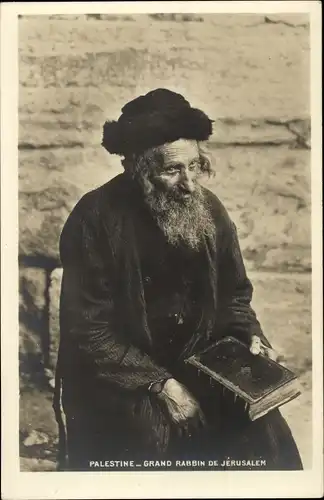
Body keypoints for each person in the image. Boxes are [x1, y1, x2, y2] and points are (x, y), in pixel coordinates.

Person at [54, 88, 303, 471]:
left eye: (195, 166)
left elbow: (236, 296)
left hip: (201, 362)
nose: (190, 183)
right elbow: (90, 331)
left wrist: (251, 337)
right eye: (172, 170)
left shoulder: (209, 209)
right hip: (123, 376)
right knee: (151, 442)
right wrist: (162, 385)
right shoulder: (95, 219)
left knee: (265, 439)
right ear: (137, 169)